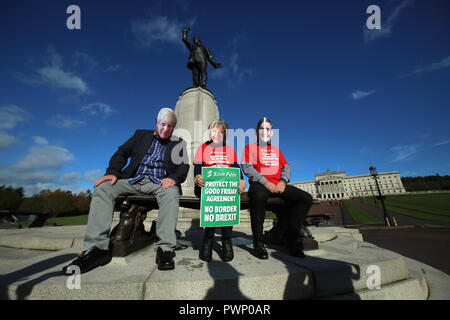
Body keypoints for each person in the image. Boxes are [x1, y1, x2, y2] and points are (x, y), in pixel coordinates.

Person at [62, 108, 189, 274]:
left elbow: (183, 167)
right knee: (103, 187)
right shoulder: (140, 135)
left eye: (170, 126)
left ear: (174, 127)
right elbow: (121, 153)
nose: (166, 129)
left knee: (171, 192)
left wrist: (173, 178)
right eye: (162, 124)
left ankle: (165, 249)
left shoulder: (178, 143)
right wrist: (112, 172)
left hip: (158, 183)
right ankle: (97, 248)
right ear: (156, 123)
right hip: (133, 180)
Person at [241, 117, 313, 259]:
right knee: (257, 197)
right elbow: (247, 167)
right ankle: (258, 242)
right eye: (262, 129)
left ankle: (291, 239)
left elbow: (286, 167)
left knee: (305, 198)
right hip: (260, 185)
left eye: (268, 129)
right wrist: (265, 181)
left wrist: (283, 181)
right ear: (256, 133)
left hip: (278, 184)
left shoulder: (276, 150)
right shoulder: (250, 148)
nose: (265, 132)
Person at [193, 119, 246, 262]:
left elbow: (236, 170)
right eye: (214, 131)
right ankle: (208, 239)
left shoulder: (230, 150)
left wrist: (242, 181)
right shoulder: (203, 148)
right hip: (206, 187)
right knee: (213, 197)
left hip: (225, 187)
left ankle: (226, 240)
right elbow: (197, 169)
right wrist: (197, 176)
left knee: (228, 196)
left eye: (220, 131)